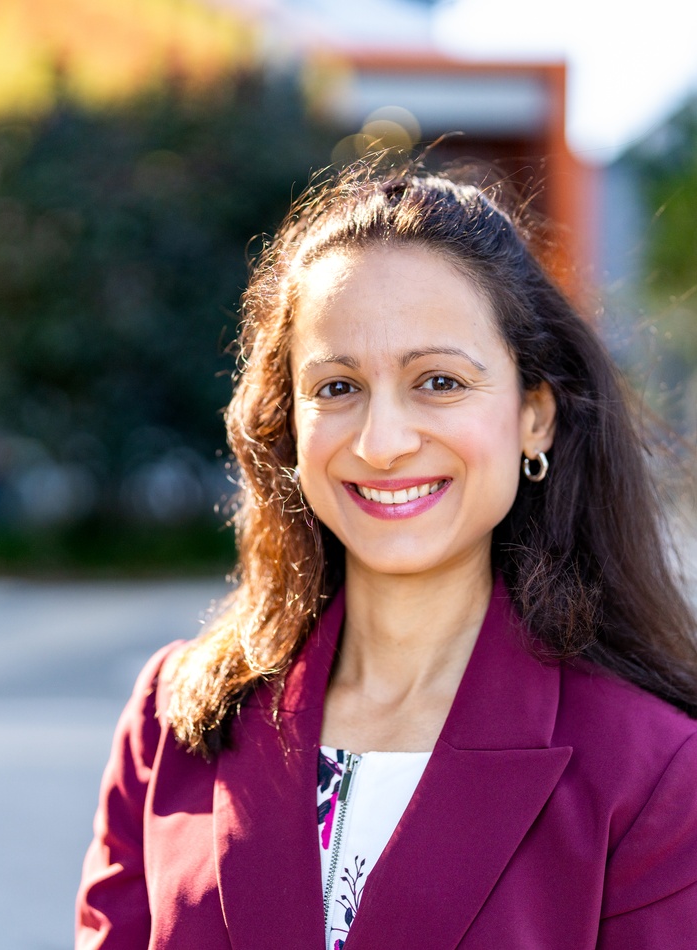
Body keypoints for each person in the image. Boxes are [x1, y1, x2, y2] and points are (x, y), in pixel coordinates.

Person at [76, 159, 697, 949]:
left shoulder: (657, 778)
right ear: (288, 426)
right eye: (337, 388)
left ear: (535, 416)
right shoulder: (175, 719)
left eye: (438, 381)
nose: (383, 442)